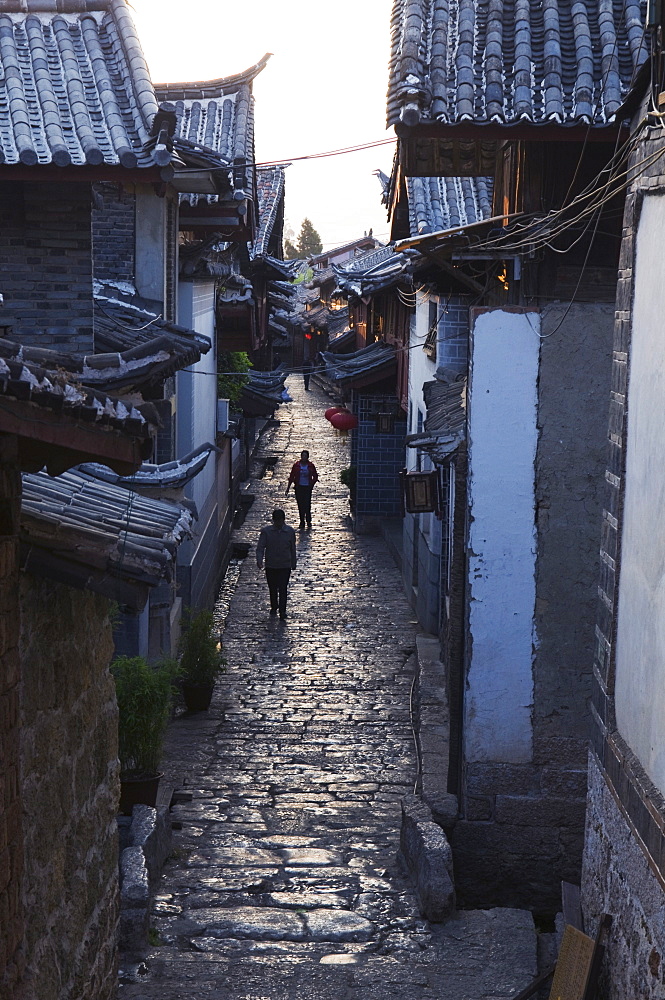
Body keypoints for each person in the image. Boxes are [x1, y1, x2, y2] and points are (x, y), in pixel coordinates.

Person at [256, 508, 297, 620]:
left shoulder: (289, 532)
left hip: (285, 565)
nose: (279, 523)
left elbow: (293, 548)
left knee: (283, 588)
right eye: (277, 521)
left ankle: (282, 611)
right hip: (271, 565)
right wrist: (259, 560)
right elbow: (260, 548)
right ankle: (274, 606)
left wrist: (293, 562)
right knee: (272, 587)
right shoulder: (266, 532)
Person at [286, 450, 319, 529]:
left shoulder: (311, 466)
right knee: (300, 504)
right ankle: (302, 521)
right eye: (303, 456)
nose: (304, 457)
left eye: (305, 456)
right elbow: (291, 476)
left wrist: (312, 484)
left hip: (307, 487)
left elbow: (315, 476)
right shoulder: (296, 465)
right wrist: (288, 488)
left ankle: (308, 520)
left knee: (307, 504)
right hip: (299, 487)